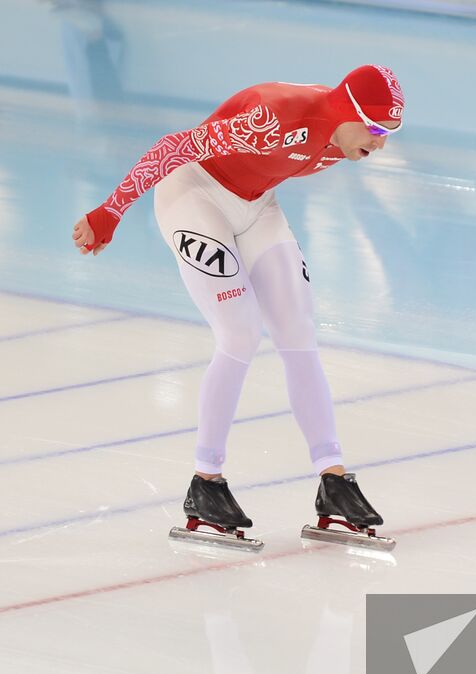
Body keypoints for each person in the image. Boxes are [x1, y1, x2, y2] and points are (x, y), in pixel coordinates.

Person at [72, 65, 403, 551]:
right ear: (349, 112)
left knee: (297, 327)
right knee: (241, 332)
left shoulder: (341, 134)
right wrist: (111, 211)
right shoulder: (274, 117)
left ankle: (333, 482)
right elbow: (171, 148)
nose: (380, 144)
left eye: (390, 133)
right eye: (376, 130)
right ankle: (206, 483)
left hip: (255, 205)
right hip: (195, 195)